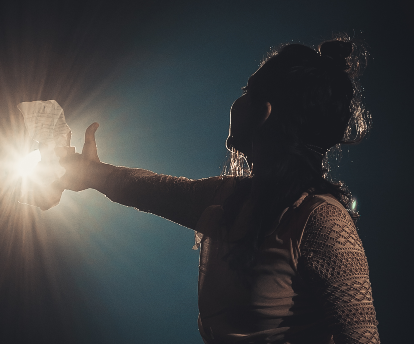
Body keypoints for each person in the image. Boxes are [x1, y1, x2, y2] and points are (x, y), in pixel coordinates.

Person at [40, 38, 380, 343]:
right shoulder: (232, 200)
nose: (238, 100)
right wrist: (90, 172)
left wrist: (92, 173)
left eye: (248, 91)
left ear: (265, 111)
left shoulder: (322, 221)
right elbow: (150, 190)